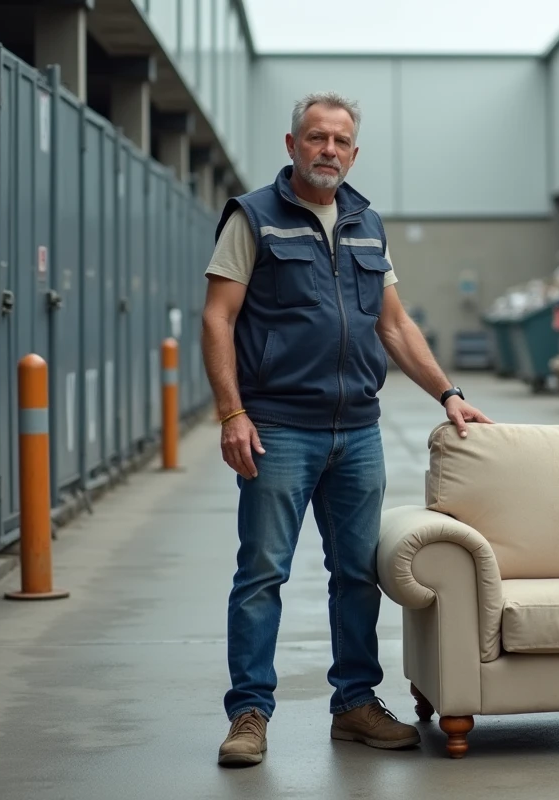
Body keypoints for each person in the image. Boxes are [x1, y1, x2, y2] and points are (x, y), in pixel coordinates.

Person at [201, 91, 492, 767]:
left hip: (358, 430)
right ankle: (249, 712)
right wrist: (232, 413)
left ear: (354, 153)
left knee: (358, 574)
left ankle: (355, 704)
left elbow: (394, 324)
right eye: (315, 137)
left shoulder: (366, 223)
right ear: (292, 144)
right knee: (262, 574)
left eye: (339, 141)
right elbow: (218, 317)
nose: (327, 150)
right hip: (278, 427)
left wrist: (448, 393)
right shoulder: (254, 217)